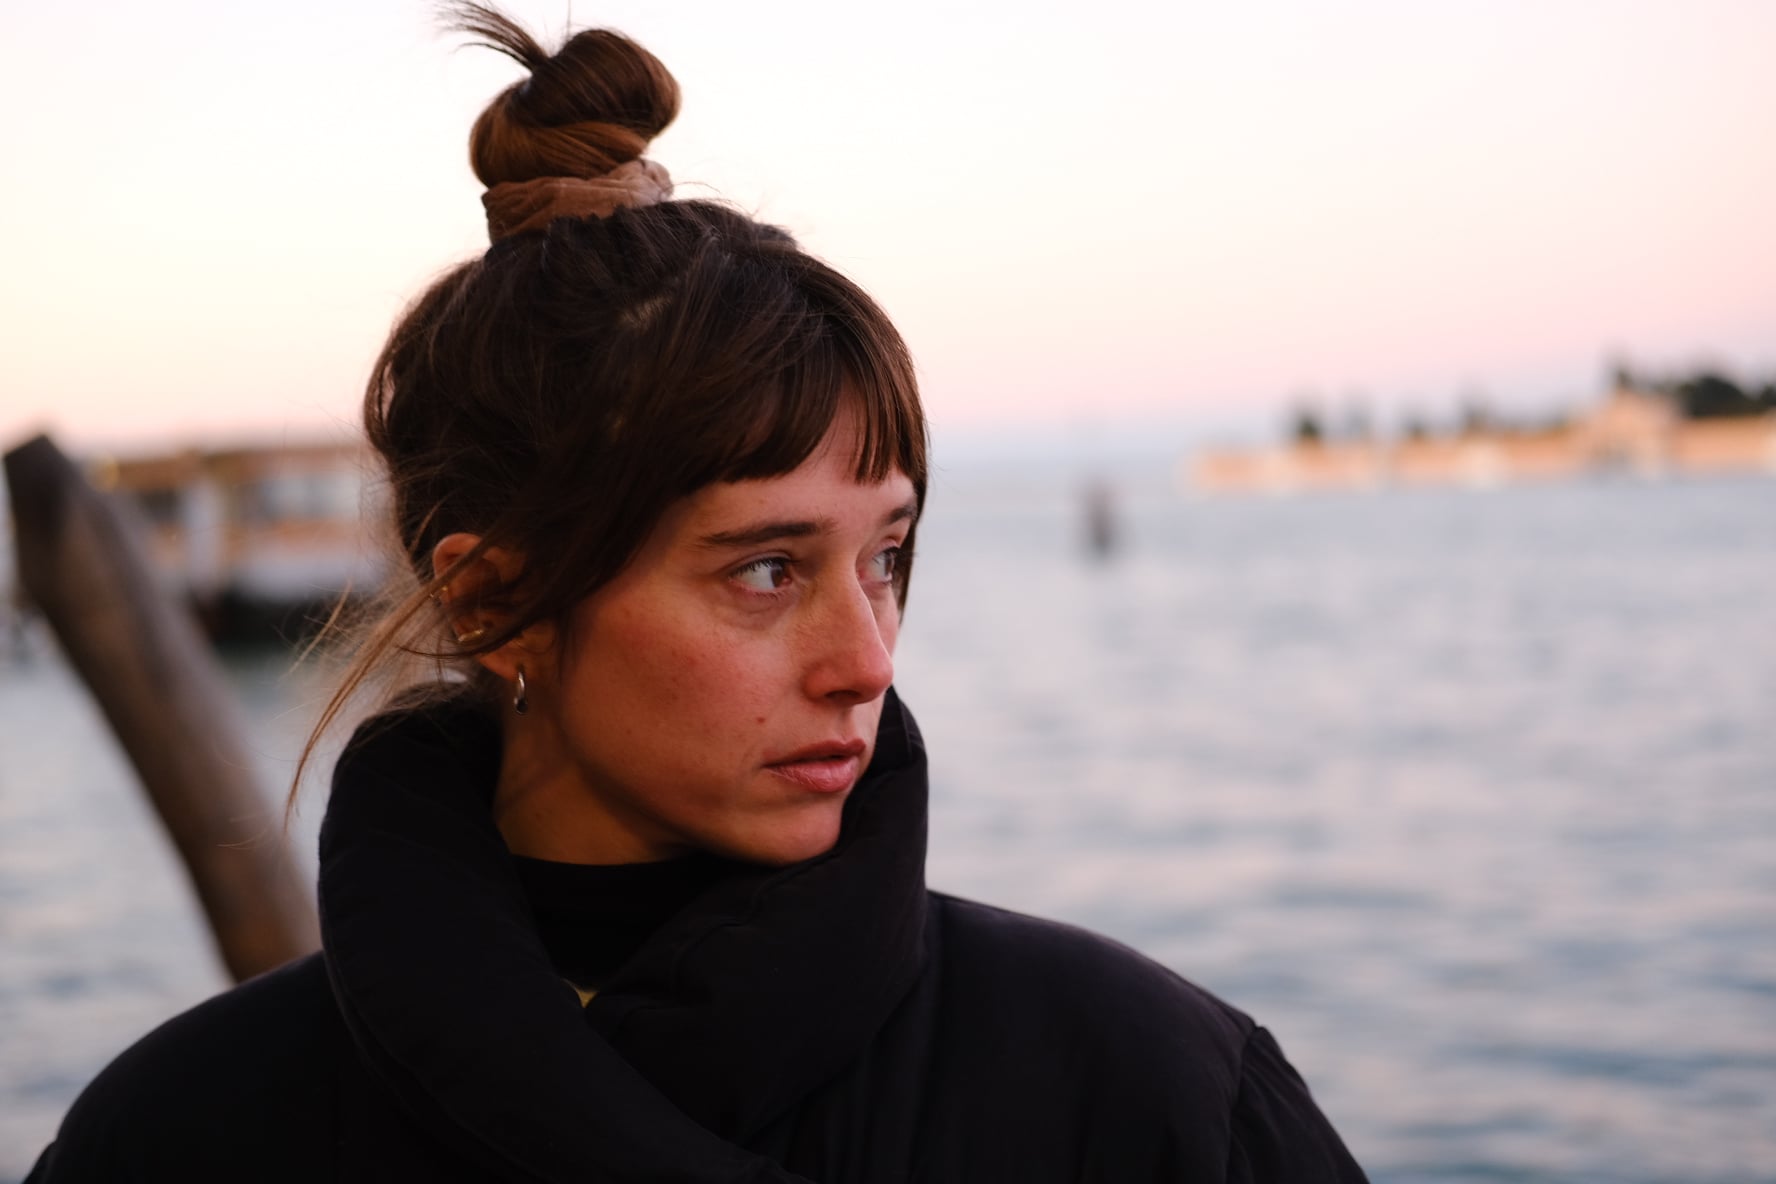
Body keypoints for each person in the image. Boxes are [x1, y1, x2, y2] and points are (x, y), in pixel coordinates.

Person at [28, 6, 1367, 1180]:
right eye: (767, 570)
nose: (868, 658)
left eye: (885, 556)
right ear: (494, 602)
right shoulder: (179, 1141)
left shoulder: (1149, 1098)